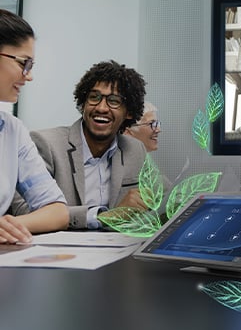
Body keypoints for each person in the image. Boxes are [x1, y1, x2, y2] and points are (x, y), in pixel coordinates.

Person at [11, 60, 148, 229]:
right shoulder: (45, 144)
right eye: (94, 97)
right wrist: (101, 217)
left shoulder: (135, 150)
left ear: (129, 112)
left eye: (114, 101)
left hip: (114, 249)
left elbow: (155, 200)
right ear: (83, 103)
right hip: (57, 252)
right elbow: (24, 212)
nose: (102, 108)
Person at [0, 9, 69, 242]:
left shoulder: (12, 130)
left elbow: (57, 211)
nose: (28, 76)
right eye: (24, 63)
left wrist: (10, 226)